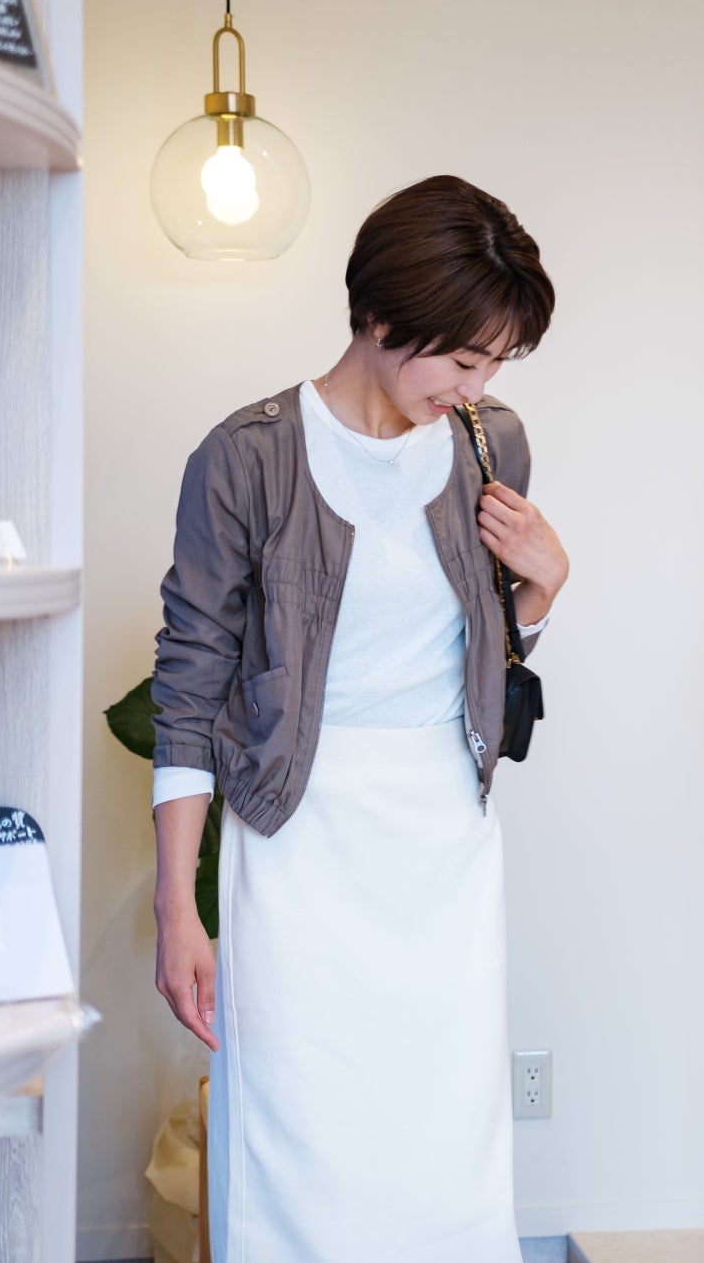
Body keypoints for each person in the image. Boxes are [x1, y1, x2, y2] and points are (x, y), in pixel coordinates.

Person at [148, 175, 569, 1262]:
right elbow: (187, 687)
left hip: (443, 837)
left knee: (445, 1136)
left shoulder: (490, 443)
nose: (475, 386)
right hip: (299, 834)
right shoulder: (247, 457)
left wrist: (544, 587)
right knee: (303, 1135)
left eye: (494, 365)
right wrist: (176, 907)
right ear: (381, 317)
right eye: (462, 360)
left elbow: (483, 653)